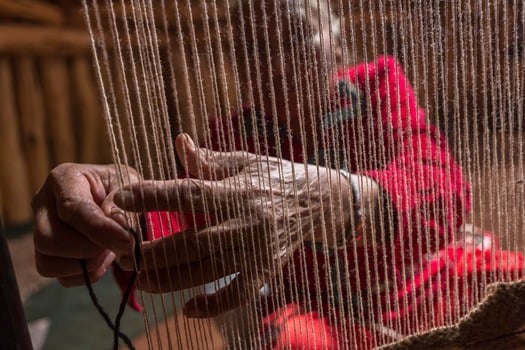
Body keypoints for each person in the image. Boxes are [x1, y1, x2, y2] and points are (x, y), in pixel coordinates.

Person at [31, 1, 521, 349]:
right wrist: (119, 216)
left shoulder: (377, 87)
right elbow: (189, 221)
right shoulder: (230, 136)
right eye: (253, 47)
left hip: (421, 283)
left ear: (337, 40)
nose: (276, 64)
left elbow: (440, 183)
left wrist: (336, 197)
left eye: (292, 37)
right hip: (321, 319)